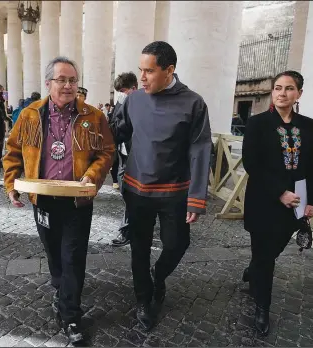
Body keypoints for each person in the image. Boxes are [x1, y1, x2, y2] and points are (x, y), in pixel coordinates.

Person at [3, 56, 114, 344]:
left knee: (73, 257)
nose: (68, 85)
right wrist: (11, 184)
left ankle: (70, 314)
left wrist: (92, 175)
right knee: (54, 254)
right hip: (44, 200)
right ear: (48, 82)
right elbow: (13, 152)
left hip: (77, 201)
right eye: (62, 79)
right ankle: (61, 289)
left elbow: (106, 153)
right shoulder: (29, 115)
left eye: (73, 80)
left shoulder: (93, 116)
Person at [110, 42, 212, 331]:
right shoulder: (134, 100)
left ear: (169, 70)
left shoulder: (193, 103)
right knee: (139, 248)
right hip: (137, 190)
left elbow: (201, 148)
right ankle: (144, 299)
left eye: (149, 71)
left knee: (179, 243)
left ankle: (159, 273)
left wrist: (196, 197)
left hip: (174, 192)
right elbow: (116, 133)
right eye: (141, 70)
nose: (141, 77)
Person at [242, 70, 313, 335]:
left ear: (299, 93)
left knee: (270, 252)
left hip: (295, 203)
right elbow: (251, 163)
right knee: (266, 257)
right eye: (277, 88)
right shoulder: (257, 123)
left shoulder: (306, 124)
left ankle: (253, 271)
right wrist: (280, 192)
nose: (282, 93)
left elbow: (311, 163)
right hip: (264, 200)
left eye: (289, 88)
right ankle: (262, 308)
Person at [110, 72, 138, 247]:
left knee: (130, 195)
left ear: (133, 88)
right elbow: (114, 127)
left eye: (122, 90)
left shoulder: (140, 104)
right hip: (122, 156)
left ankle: (126, 231)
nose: (120, 94)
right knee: (126, 193)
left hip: (135, 158)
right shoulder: (122, 103)